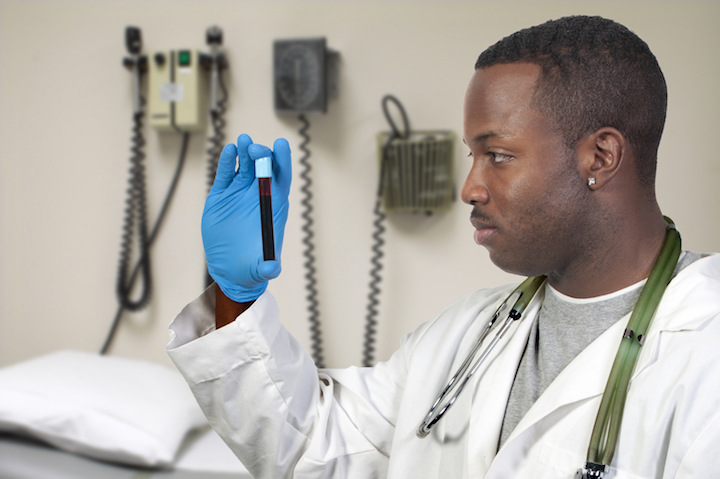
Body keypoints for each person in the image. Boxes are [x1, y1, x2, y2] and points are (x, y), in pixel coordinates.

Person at [167, 15, 720, 478]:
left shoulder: (704, 354)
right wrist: (236, 295)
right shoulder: (466, 334)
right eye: (471, 156)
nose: (470, 188)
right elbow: (317, 441)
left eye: (498, 156)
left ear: (600, 157)